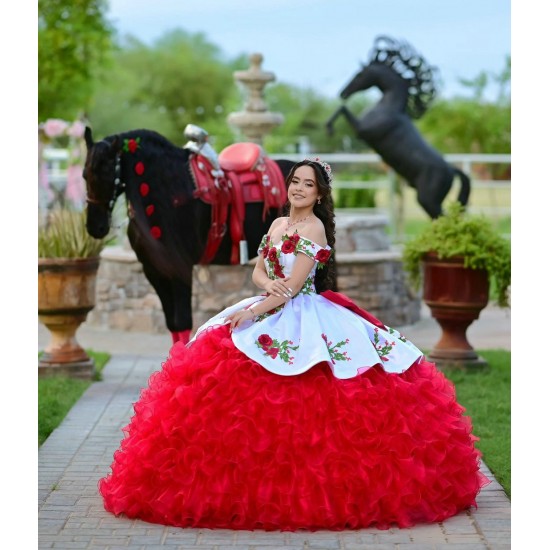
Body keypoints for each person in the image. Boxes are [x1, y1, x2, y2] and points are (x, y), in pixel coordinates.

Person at [98, 158, 489, 531]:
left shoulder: (314, 229)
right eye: (295, 182)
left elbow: (297, 287)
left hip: (301, 312)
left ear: (319, 194)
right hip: (271, 301)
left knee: (313, 382)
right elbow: (258, 269)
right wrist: (265, 287)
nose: (299, 189)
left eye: (308, 184)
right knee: (219, 365)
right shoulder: (278, 223)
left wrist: (257, 310)